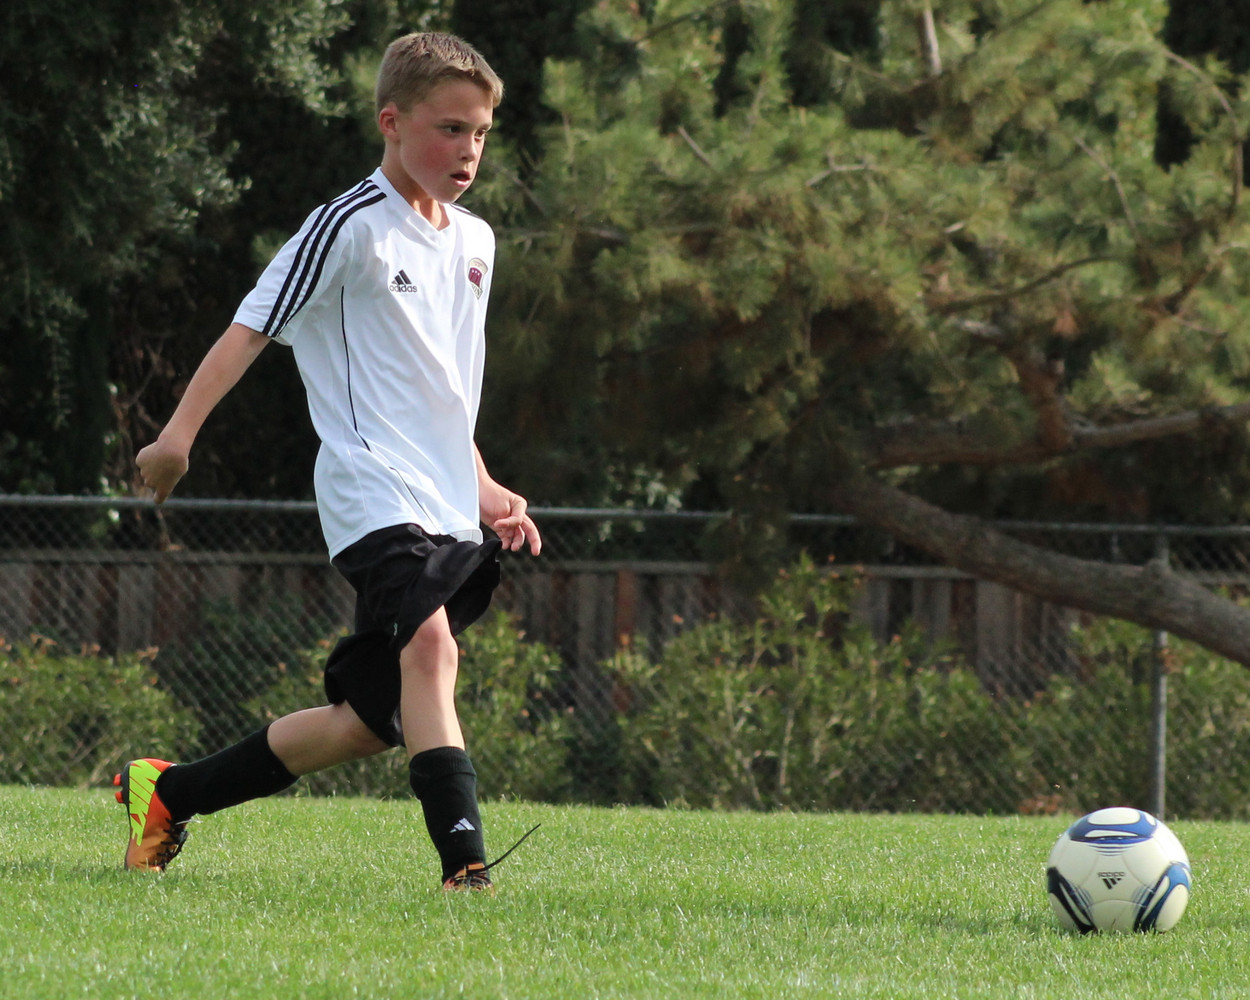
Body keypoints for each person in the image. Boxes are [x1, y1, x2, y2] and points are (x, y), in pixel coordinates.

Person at [116, 31, 540, 892]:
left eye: (480, 133)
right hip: (369, 491)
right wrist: (176, 437)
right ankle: (466, 869)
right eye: (449, 129)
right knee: (432, 651)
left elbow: (442, 390)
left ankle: (169, 794)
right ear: (392, 122)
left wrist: (484, 485)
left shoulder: (476, 243)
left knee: (367, 724)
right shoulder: (347, 226)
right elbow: (250, 327)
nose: (468, 151)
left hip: (444, 504)